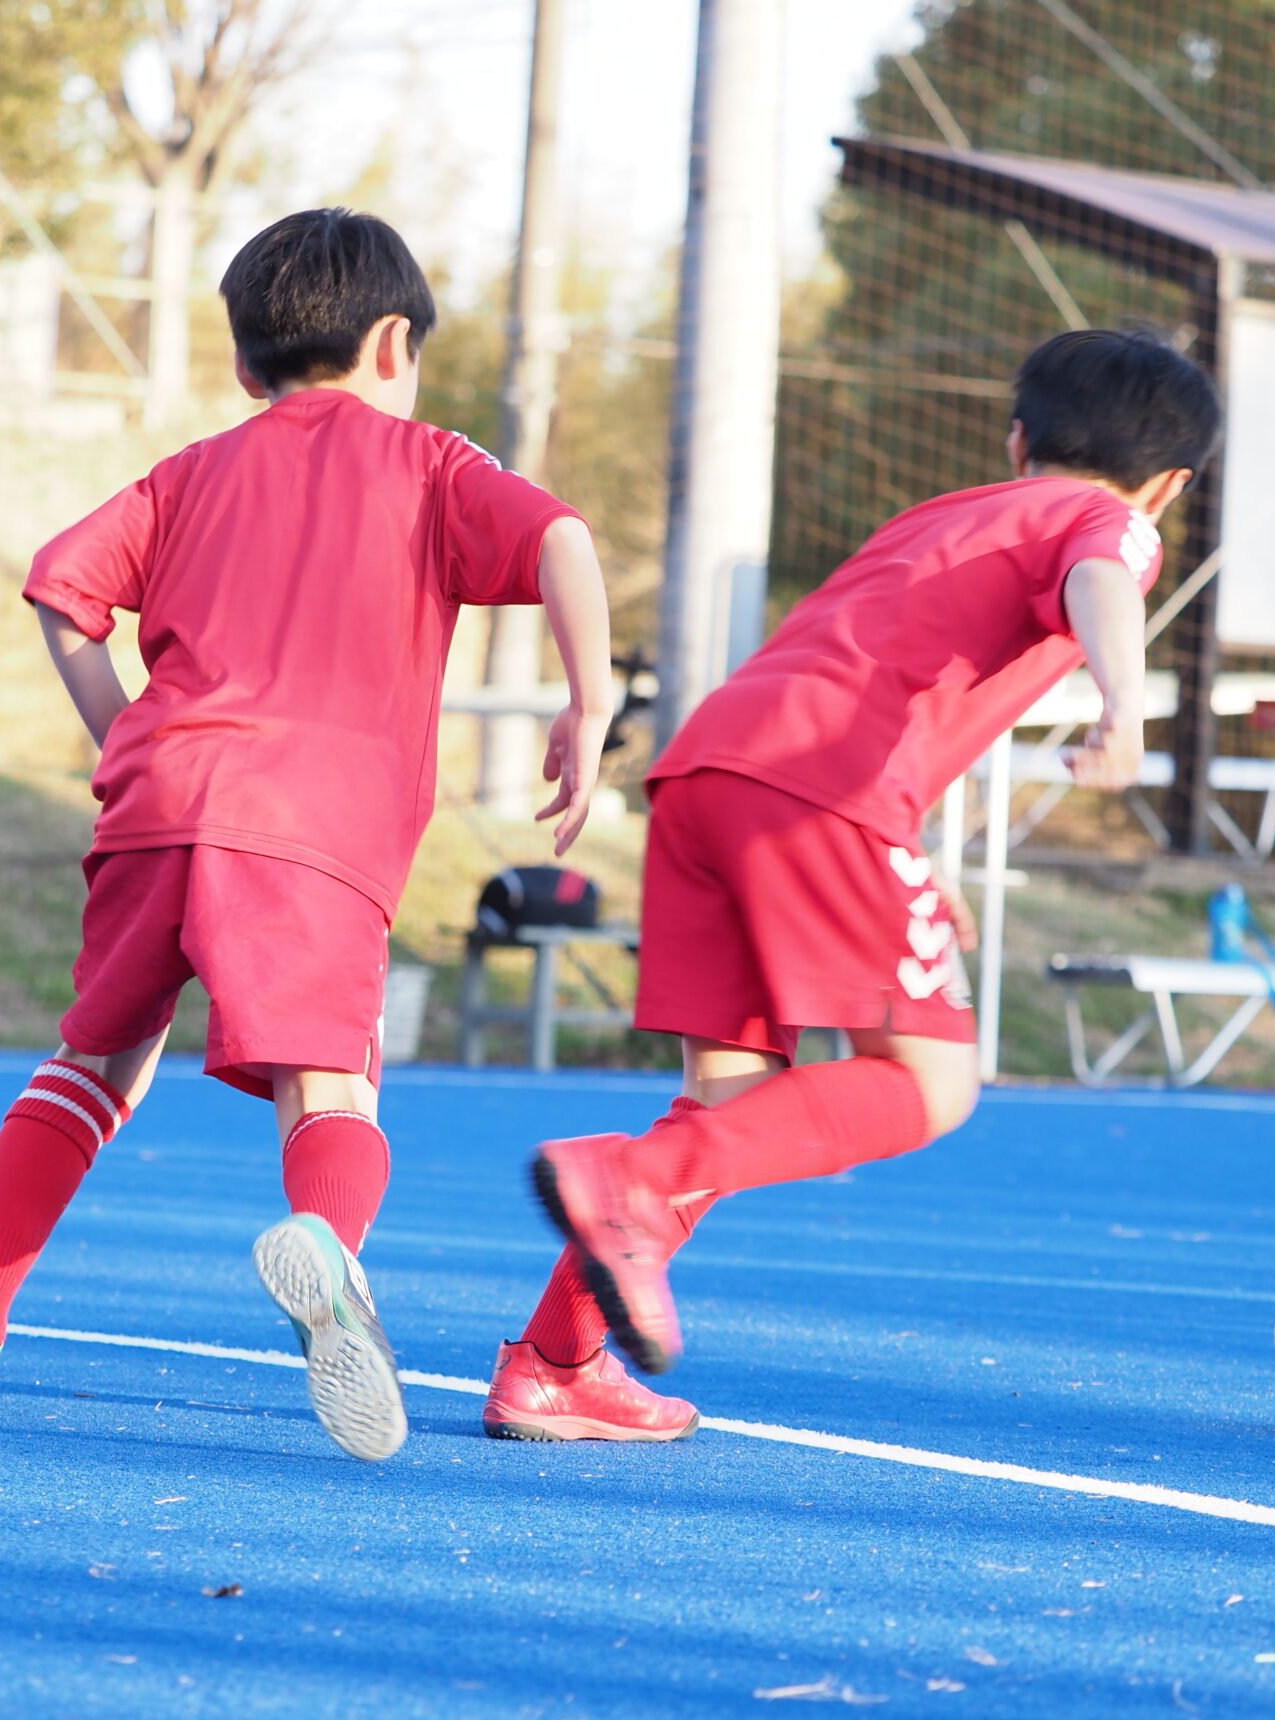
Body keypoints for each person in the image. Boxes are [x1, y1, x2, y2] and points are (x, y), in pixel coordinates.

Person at [0, 208, 616, 1462]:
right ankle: (329, 1257)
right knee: (328, 1081)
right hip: (308, 826)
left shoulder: (188, 473)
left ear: (244, 365)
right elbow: (562, 535)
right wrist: (588, 697)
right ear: (394, 344)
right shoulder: (431, 466)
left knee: (93, 1066)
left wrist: (125, 737)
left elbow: (63, 590)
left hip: (158, 803)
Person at [483, 327, 1220, 1444]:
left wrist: (905, 848)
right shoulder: (1105, 521)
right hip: (816, 793)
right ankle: (621, 1180)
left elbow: (863, 668)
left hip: (708, 773)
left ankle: (554, 1365)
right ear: (1169, 486)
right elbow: (1105, 572)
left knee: (733, 1108)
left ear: (1016, 438)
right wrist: (1125, 703)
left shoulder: (938, 516)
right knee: (932, 1087)